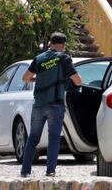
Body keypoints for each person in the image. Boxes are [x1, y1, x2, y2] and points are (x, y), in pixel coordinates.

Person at [20, 32, 82, 177]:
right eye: (64, 45)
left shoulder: (39, 58)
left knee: (33, 138)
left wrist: (39, 80)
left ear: (51, 43)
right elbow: (78, 81)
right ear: (62, 45)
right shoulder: (63, 59)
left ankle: (25, 171)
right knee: (54, 138)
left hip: (39, 105)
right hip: (55, 105)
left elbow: (26, 78)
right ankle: (50, 171)